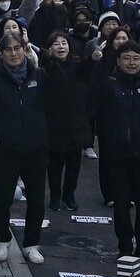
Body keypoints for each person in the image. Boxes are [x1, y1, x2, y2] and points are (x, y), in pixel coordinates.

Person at [90, 41, 140, 264]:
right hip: (118, 156)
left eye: (136, 58)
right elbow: (95, 106)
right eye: (127, 58)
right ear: (118, 61)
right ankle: (124, 246)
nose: (131, 63)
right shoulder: (110, 85)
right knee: (121, 204)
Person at [0, 33, 49, 265]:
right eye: (8, 49)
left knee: (37, 200)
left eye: (17, 48)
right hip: (7, 149)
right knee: (1, 198)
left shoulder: (39, 76)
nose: (13, 53)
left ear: (24, 48)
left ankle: (31, 244)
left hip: (36, 148)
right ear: (2, 53)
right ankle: (3, 240)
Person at [43, 31, 94, 212]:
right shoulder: (46, 66)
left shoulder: (77, 65)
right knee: (55, 165)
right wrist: (47, 60)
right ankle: (55, 195)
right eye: (56, 44)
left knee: (74, 164)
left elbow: (88, 69)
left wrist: (94, 58)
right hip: (55, 123)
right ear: (49, 48)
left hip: (76, 123)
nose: (61, 47)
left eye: (64, 43)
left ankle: (69, 195)